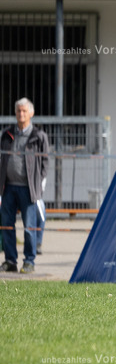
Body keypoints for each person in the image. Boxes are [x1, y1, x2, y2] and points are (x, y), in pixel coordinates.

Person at [1, 98, 49, 274]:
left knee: (29, 227)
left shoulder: (39, 136)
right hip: (8, 189)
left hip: (28, 190)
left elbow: (45, 162)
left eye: (24, 111)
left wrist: (39, 185)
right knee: (7, 225)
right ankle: (10, 261)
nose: (21, 114)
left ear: (31, 113)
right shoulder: (6, 134)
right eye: (18, 111)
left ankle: (29, 261)